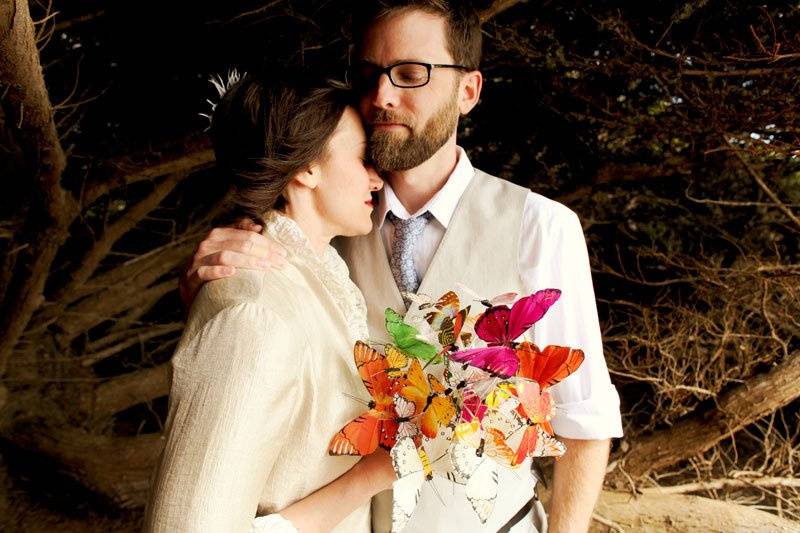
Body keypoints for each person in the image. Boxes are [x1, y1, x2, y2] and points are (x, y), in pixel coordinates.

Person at [180, 1, 624, 532]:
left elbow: (585, 419)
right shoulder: (324, 226)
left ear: (468, 91)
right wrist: (206, 287)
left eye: (411, 75)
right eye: (366, 75)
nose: (382, 96)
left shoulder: (541, 227)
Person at [144, 71, 395, 532]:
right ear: (307, 168)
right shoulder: (256, 310)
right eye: (363, 158)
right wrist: (366, 479)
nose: (378, 178)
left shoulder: (323, 284)